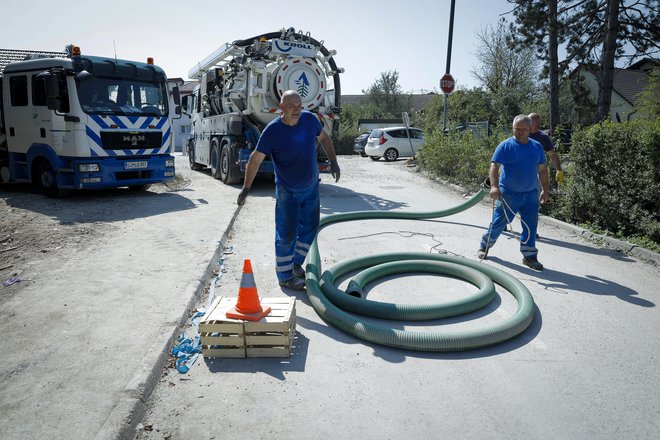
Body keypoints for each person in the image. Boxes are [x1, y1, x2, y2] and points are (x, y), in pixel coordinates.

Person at [236, 90, 340, 290]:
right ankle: (284, 276)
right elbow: (256, 158)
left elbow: (324, 139)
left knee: (310, 228)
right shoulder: (273, 131)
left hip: (311, 188)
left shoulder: (310, 120)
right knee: (286, 234)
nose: (296, 110)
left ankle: (294, 264)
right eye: (291, 106)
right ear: (281, 107)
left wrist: (333, 161)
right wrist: (246, 188)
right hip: (287, 191)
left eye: (299, 106)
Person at [478, 114, 549, 271]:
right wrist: (494, 187)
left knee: (530, 225)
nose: (519, 132)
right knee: (499, 223)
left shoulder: (536, 147)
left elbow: (543, 170)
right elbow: (494, 167)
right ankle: (485, 246)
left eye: (523, 129)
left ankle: (529, 256)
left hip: (531, 194)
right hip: (509, 194)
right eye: (516, 129)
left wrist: (545, 189)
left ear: (530, 129)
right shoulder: (505, 146)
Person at [528, 113, 564, 185]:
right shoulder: (522, 134)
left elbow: (552, 154)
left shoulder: (543, 137)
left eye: (532, 120)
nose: (530, 122)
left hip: (537, 171)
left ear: (538, 122)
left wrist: (559, 170)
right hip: (521, 169)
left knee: (539, 193)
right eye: (529, 120)